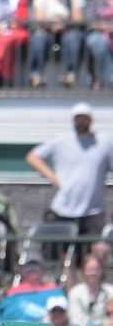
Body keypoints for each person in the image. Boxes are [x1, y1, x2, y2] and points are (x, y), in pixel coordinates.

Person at [28, 102, 113, 239]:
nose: (81, 122)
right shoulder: (61, 141)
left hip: (94, 211)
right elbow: (33, 157)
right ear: (73, 121)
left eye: (84, 118)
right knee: (61, 254)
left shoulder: (104, 142)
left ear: (90, 120)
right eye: (78, 119)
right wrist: (52, 177)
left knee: (97, 252)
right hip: (63, 209)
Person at [28, 0, 86, 89]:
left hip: (68, 30)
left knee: (73, 37)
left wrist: (63, 23)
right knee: (39, 37)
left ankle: (71, 75)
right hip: (48, 31)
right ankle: (36, 75)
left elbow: (78, 19)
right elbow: (39, 20)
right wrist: (53, 22)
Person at [69, 253, 113, 326]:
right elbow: (75, 320)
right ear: (83, 271)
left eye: (96, 269)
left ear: (102, 271)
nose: (93, 273)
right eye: (90, 269)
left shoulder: (111, 291)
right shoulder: (75, 292)